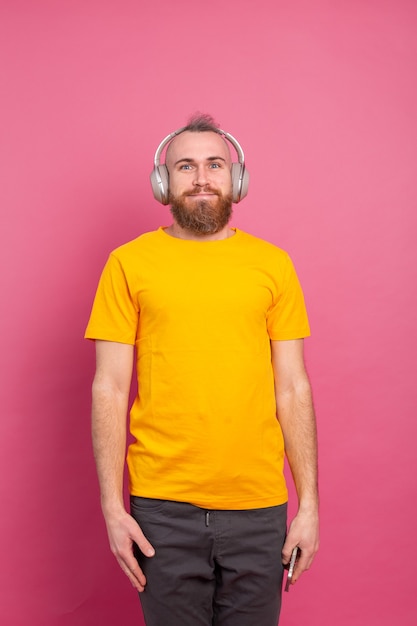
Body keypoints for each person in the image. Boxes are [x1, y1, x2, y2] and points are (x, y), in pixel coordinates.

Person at [85, 113, 319, 626]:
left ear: (236, 179)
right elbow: (110, 386)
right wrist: (112, 507)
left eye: (215, 164)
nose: (201, 178)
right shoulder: (128, 263)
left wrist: (308, 507)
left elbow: (293, 388)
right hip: (162, 509)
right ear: (163, 182)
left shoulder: (273, 265)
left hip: (258, 506)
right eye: (185, 166)